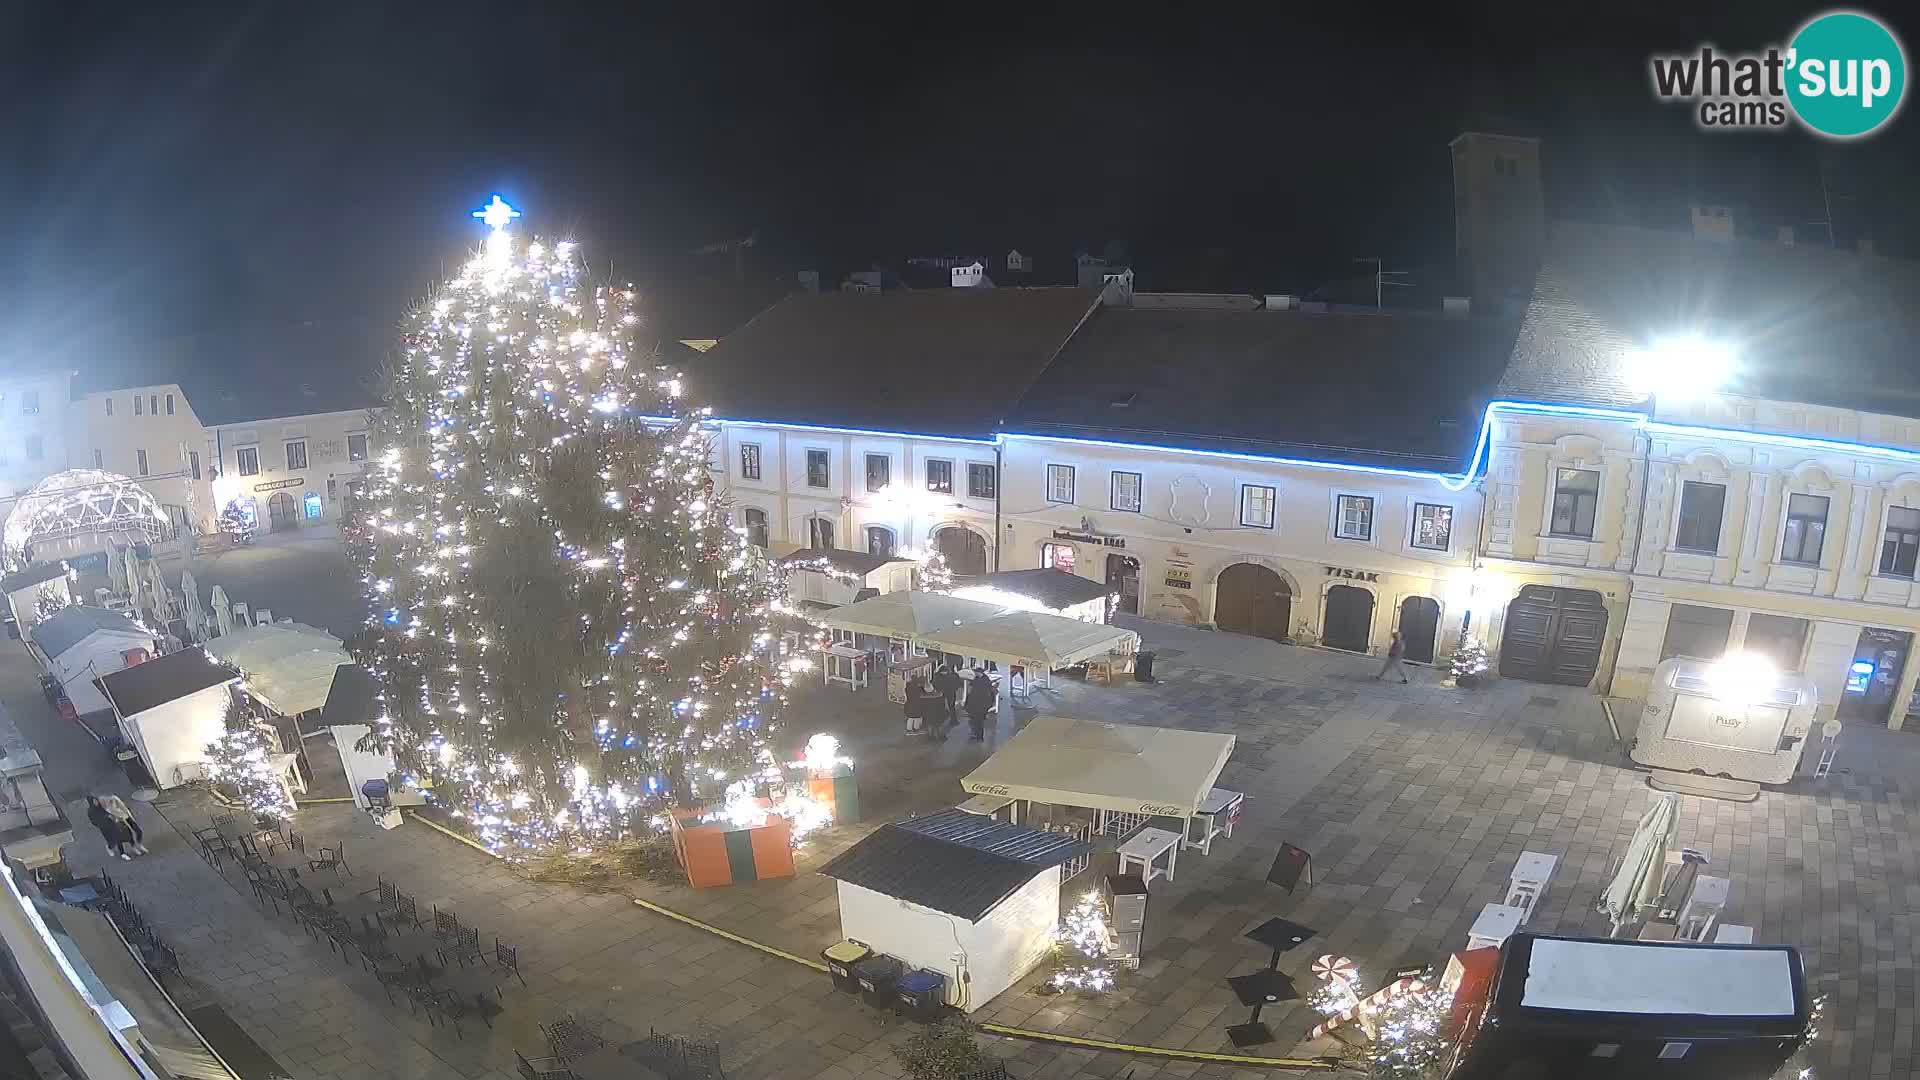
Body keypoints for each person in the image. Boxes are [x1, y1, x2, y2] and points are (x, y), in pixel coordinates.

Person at [86, 796, 133, 861]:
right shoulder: (90, 811)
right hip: (104, 827)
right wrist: (100, 824)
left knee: (118, 837)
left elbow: (108, 811)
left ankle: (122, 854)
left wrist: (112, 816)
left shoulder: (101, 806)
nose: (96, 802)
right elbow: (93, 821)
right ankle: (109, 847)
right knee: (111, 841)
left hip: (111, 824)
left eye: (96, 800)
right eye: (94, 801)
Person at [963, 668, 996, 741]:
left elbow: (987, 694)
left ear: (979, 673)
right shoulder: (979, 679)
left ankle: (979, 736)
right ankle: (976, 734)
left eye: (975, 672)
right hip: (975, 704)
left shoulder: (984, 681)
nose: (974, 673)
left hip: (980, 704)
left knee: (978, 721)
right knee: (974, 720)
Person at [931, 663, 963, 735]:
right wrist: (954, 689)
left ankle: (941, 720)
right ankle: (953, 720)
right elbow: (958, 683)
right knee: (951, 706)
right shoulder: (953, 676)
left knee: (942, 706)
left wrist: (938, 690)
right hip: (950, 692)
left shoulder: (937, 676)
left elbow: (934, 684)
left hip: (942, 693)